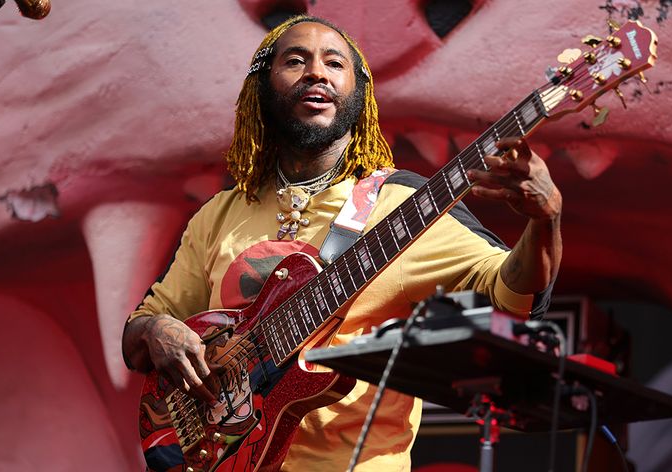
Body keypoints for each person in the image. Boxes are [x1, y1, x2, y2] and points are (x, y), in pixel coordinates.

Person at [122, 15, 562, 471]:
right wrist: (156, 331)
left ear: (360, 93)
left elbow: (516, 298)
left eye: (335, 63)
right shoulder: (219, 214)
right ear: (262, 87)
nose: (317, 72)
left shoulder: (403, 206)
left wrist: (546, 220)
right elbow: (141, 332)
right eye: (296, 60)